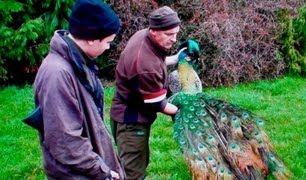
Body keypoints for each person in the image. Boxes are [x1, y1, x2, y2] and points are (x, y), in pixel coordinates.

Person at [33, 0, 125, 179]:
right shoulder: (57, 74)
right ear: (91, 39)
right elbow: (65, 141)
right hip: (77, 174)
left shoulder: (79, 62)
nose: (108, 47)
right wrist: (102, 171)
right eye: (108, 42)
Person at [110, 6, 199, 179]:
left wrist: (177, 58)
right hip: (131, 122)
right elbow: (159, 104)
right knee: (133, 173)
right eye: (169, 34)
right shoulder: (145, 66)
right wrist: (185, 110)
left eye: (176, 33)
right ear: (154, 31)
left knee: (132, 164)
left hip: (125, 110)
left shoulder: (143, 36)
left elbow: (156, 61)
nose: (174, 39)